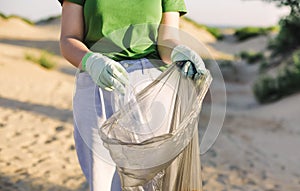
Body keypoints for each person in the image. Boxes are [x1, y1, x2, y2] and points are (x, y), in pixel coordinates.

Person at [58, 0, 207, 190]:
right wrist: (91, 61)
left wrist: (178, 51)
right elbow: (68, 39)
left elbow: (166, 40)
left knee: (154, 179)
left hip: (152, 88)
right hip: (97, 82)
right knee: (102, 178)